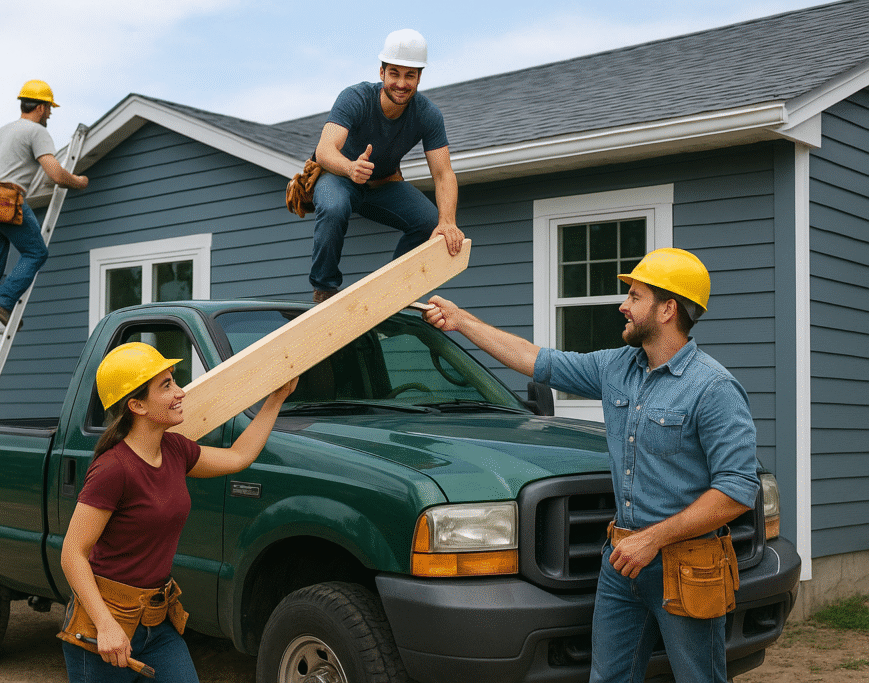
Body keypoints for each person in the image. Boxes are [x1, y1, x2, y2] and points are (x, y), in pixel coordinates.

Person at [422, 248, 760, 683]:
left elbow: (735, 490)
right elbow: (533, 358)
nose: (623, 305)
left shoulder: (713, 388)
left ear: (667, 309)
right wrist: (461, 321)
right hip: (622, 560)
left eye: (635, 297)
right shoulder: (616, 367)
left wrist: (653, 539)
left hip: (688, 565)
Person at [59, 342, 297, 682]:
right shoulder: (113, 469)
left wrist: (276, 399)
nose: (181, 392)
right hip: (105, 628)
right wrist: (106, 625)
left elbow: (238, 457)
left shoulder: (174, 449)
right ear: (136, 405)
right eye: (166, 385)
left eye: (174, 381)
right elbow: (73, 553)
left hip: (156, 623)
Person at [307, 28, 464, 303]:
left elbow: (443, 174)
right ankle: (324, 289)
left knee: (429, 222)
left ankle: (390, 291)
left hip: (382, 184)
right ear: (382, 74)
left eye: (410, 75)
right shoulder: (355, 98)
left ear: (419, 78)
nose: (401, 83)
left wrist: (448, 222)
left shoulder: (428, 114)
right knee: (333, 207)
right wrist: (350, 168)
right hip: (340, 178)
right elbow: (324, 150)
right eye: (394, 73)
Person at [0, 79, 89, 355]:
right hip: (5, 200)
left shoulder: (2, 131)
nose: (50, 114)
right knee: (35, 253)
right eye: (50, 109)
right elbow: (55, 174)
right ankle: (4, 301)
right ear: (42, 107)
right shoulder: (35, 131)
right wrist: (79, 181)